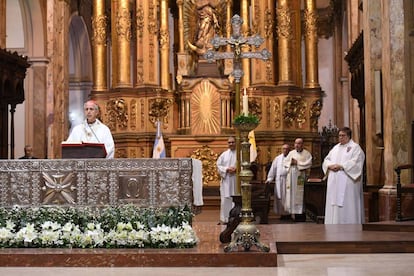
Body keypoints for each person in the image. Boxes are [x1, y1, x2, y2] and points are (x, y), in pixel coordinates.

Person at [323, 127, 365, 224]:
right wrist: (329, 166)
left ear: (349, 136)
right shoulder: (335, 148)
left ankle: (350, 224)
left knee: (348, 204)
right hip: (334, 180)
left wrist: (342, 166)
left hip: (348, 181)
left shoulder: (355, 148)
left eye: (343, 136)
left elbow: (356, 162)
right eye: (339, 136)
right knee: (334, 204)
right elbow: (326, 160)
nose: (340, 138)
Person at [283, 138, 313, 221]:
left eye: (299, 143)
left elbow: (309, 163)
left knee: (299, 194)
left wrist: (298, 163)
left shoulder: (306, 154)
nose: (297, 145)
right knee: (292, 195)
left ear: (302, 144)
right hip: (291, 175)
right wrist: (290, 163)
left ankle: (300, 214)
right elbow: (285, 162)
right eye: (295, 143)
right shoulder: (291, 153)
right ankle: (292, 213)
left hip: (300, 175)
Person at [266, 144, 290, 219]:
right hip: (279, 180)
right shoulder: (278, 158)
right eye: (284, 149)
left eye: (286, 149)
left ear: (289, 150)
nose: (285, 150)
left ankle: (288, 214)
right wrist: (269, 178)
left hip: (288, 180)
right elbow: (273, 169)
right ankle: (282, 214)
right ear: (282, 150)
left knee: (288, 197)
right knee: (280, 197)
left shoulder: (292, 158)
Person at [216, 136, 237, 224]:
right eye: (229, 142)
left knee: (235, 199)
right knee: (225, 199)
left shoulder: (240, 154)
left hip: (236, 180)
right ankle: (226, 218)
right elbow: (218, 165)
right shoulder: (224, 155)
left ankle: (235, 218)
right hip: (226, 180)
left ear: (236, 143)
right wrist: (226, 169)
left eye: (232, 142)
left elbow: (244, 165)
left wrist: (236, 169)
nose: (231, 144)